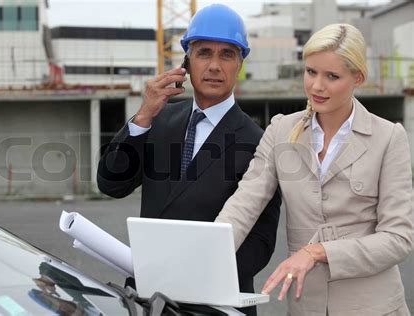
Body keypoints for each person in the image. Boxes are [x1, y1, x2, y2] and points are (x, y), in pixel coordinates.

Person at [215, 23, 413, 315]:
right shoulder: (280, 130)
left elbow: (398, 239)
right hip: (306, 307)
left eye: (332, 76)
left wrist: (317, 252)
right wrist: (206, 257)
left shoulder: (389, 138)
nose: (317, 86)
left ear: (358, 77)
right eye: (311, 72)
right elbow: (244, 204)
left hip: (375, 307)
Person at [97, 4, 281, 315]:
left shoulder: (259, 142)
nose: (214, 65)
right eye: (204, 53)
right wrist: (142, 117)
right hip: (152, 301)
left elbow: (261, 241)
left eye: (227, 55)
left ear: (240, 64)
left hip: (216, 305)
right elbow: (111, 184)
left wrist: (196, 277)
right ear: (186, 61)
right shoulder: (158, 119)